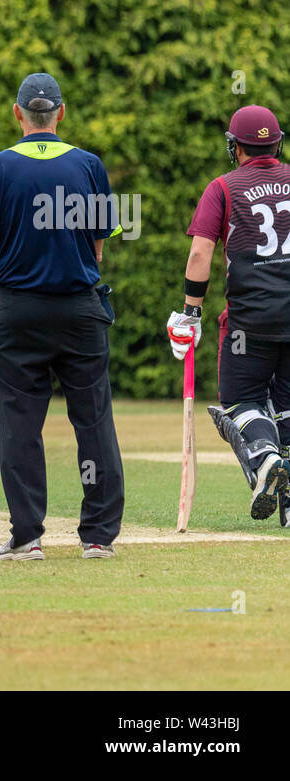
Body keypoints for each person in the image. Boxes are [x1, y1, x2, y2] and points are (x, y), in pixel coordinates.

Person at [0, 72, 124, 561]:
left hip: (18, 310)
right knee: (93, 419)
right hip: (80, 308)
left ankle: (27, 535)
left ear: (17, 113)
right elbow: (98, 248)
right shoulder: (89, 164)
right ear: (61, 112)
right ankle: (98, 536)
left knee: (20, 422)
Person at [174, 105, 290, 521]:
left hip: (250, 319)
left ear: (236, 147)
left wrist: (191, 312)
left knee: (241, 402)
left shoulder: (222, 187)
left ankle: (263, 459)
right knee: (288, 406)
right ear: (277, 143)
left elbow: (200, 252)